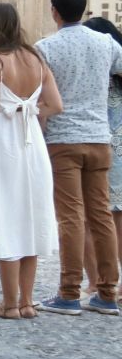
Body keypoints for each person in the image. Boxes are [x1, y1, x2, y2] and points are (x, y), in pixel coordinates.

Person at [0, 3, 62, 319]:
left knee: (6, 216)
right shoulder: (35, 59)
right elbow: (56, 104)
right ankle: (26, 301)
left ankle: (9, 304)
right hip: (31, 141)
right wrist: (28, 109)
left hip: (1, 141)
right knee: (30, 216)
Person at [35, 0, 122, 316]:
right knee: (101, 215)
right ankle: (108, 291)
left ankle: (70, 291)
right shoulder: (105, 42)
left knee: (71, 216)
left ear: (54, 11)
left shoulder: (46, 47)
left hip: (63, 140)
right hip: (99, 137)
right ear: (85, 10)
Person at [82, 17, 122, 300]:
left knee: (85, 217)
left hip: (92, 143)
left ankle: (95, 282)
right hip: (116, 148)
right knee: (116, 219)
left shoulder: (89, 69)